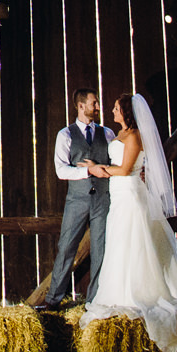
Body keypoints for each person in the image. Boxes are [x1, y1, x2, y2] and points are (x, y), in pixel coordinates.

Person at [80, 92, 177, 352]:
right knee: (119, 243)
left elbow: (125, 169)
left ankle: (138, 291)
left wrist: (100, 169)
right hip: (118, 195)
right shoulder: (117, 135)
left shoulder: (134, 136)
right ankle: (117, 290)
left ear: (127, 112)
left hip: (131, 193)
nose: (111, 111)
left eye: (116, 108)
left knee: (134, 241)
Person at [41, 88, 117, 309]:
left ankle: (94, 302)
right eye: (94, 103)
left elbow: (114, 165)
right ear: (81, 106)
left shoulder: (108, 133)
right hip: (77, 200)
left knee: (101, 250)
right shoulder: (65, 134)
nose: (98, 107)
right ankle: (53, 299)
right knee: (66, 247)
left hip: (103, 200)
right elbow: (61, 170)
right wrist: (87, 172)